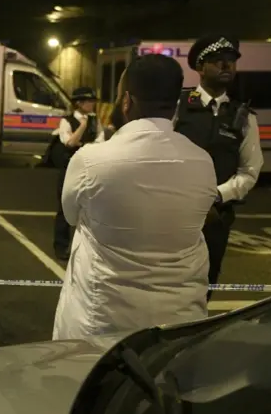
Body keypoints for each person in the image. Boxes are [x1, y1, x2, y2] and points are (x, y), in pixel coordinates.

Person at [53, 54, 218, 341]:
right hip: (177, 324)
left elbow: (70, 215)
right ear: (175, 105)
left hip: (101, 319)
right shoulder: (202, 162)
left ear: (126, 102)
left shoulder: (91, 160)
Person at [174, 34, 264, 300]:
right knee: (168, 282)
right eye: (217, 61)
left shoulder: (243, 116)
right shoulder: (178, 106)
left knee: (205, 285)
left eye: (231, 62)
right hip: (174, 210)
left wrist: (216, 195)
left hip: (217, 216)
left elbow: (250, 170)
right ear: (200, 68)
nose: (226, 67)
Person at [48, 87, 104, 261]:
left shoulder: (96, 120)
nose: (92, 105)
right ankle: (61, 246)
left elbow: (100, 141)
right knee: (65, 209)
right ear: (79, 103)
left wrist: (82, 143)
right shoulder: (67, 121)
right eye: (89, 101)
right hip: (70, 168)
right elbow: (69, 142)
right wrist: (83, 127)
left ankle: (87, 247)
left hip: (90, 168)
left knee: (91, 208)